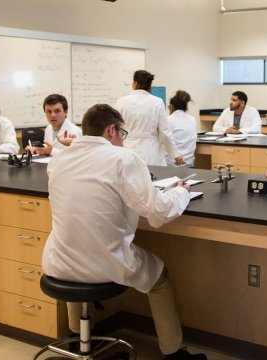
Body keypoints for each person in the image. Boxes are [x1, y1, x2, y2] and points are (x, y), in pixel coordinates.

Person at [42, 104, 206, 360]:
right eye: (122, 133)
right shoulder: (123, 159)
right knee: (159, 277)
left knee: (74, 253)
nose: (122, 139)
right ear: (111, 130)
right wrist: (181, 191)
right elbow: (158, 212)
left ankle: (77, 339)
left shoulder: (59, 158)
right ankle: (174, 354)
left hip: (58, 263)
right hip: (105, 262)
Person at [115, 70, 183, 166]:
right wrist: (175, 155)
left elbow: (117, 130)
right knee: (153, 179)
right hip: (151, 153)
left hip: (128, 150)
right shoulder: (157, 102)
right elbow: (165, 133)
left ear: (134, 83)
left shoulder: (121, 102)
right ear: (150, 86)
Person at [165, 90, 197, 167]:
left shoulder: (168, 119)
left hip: (172, 165)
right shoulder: (192, 119)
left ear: (171, 107)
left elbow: (164, 139)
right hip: (189, 164)